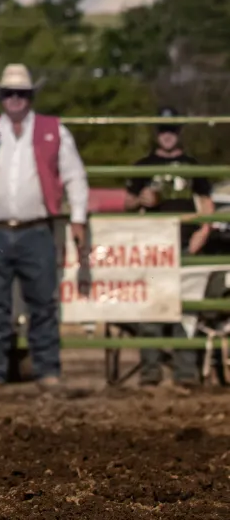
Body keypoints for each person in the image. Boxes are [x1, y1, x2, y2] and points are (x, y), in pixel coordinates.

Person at [0, 63, 90, 391]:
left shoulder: (53, 131)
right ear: (1, 97)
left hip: (35, 228)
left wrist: (79, 217)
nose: (15, 99)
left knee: (42, 302)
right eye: (9, 94)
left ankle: (46, 369)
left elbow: (75, 176)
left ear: (29, 97)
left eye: (21, 94)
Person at [125, 118, 216, 387]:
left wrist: (204, 231)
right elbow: (127, 200)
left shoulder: (193, 165)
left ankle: (185, 374)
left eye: (172, 129)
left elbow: (207, 202)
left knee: (186, 311)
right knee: (151, 311)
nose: (167, 135)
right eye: (163, 129)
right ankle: (150, 374)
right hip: (153, 246)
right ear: (157, 134)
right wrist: (139, 199)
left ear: (179, 133)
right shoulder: (143, 165)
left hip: (186, 243)